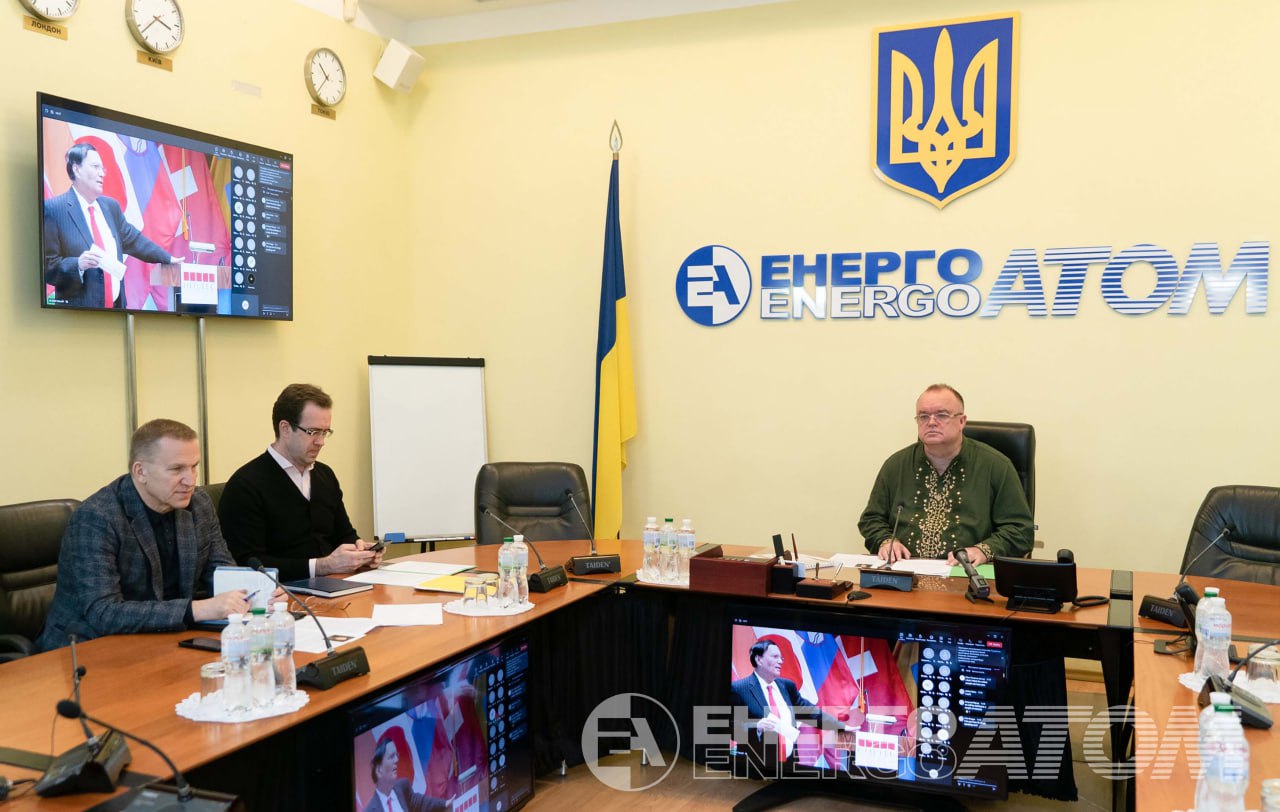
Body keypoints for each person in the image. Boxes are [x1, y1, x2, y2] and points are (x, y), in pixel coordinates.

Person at [36, 419, 263, 651]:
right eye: (176, 469)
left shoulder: (199, 503)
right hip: (89, 646)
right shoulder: (97, 518)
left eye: (194, 466)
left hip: (168, 637)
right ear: (140, 471)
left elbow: (221, 573)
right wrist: (199, 609)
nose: (191, 480)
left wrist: (261, 595)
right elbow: (104, 612)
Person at [220, 383, 381, 581]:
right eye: (313, 432)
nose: (321, 442)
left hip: (336, 584)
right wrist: (321, 566)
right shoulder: (245, 485)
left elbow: (344, 535)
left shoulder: (325, 475)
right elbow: (249, 563)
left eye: (325, 432)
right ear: (285, 428)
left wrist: (362, 552)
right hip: (283, 592)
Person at [858, 384, 1033, 565]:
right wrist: (886, 541)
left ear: (962, 421)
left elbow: (1020, 530)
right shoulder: (896, 465)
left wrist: (983, 550)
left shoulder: (996, 466)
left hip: (967, 572)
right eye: (923, 416)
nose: (931, 422)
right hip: (904, 570)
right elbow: (872, 519)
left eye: (941, 415)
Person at [43, 143, 181, 309]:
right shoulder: (54, 209)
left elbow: (135, 241)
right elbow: (49, 267)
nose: (102, 174)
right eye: (95, 167)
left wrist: (168, 259)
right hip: (77, 316)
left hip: (116, 313)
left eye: (103, 169)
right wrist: (78, 264)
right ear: (77, 169)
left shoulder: (110, 207)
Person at [730, 639, 850, 764]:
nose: (780, 661)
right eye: (775, 657)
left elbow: (810, 712)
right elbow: (731, 727)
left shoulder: (786, 687)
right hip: (756, 765)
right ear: (759, 659)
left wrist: (840, 727)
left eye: (781, 658)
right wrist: (757, 727)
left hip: (789, 764)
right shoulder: (739, 689)